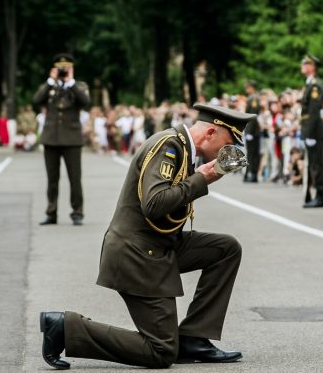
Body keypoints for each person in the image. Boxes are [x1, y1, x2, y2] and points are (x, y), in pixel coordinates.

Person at [39, 104, 255, 370]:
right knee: (161, 351)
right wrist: (203, 178)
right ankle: (66, 328)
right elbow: (154, 204)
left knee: (226, 248)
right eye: (229, 142)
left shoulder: (184, 149)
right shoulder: (169, 146)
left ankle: (194, 338)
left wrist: (202, 177)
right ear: (211, 132)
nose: (229, 152)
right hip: (137, 255)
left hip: (159, 245)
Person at [33, 53, 90, 226]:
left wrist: (70, 83)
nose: (64, 71)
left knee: (75, 178)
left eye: (67, 68)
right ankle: (51, 212)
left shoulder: (79, 86)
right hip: (51, 138)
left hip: (72, 139)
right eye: (61, 68)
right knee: (52, 179)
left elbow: (85, 102)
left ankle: (77, 212)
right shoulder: (50, 87)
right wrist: (51, 81)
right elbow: (36, 100)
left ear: (72, 68)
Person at [300, 54, 323, 208]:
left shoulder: (315, 85)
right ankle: (315, 195)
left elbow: (314, 111)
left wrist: (309, 134)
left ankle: (320, 196)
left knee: (317, 165)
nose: (302, 66)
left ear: (312, 67)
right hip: (311, 131)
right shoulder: (309, 83)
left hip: (315, 132)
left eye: (306, 63)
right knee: (313, 164)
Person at [243, 80, 261, 183]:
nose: (246, 89)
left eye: (248, 87)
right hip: (251, 130)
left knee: (253, 154)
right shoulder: (251, 98)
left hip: (253, 131)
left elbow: (253, 116)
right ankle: (249, 173)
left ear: (252, 87)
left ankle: (253, 174)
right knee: (250, 153)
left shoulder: (254, 98)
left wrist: (249, 131)